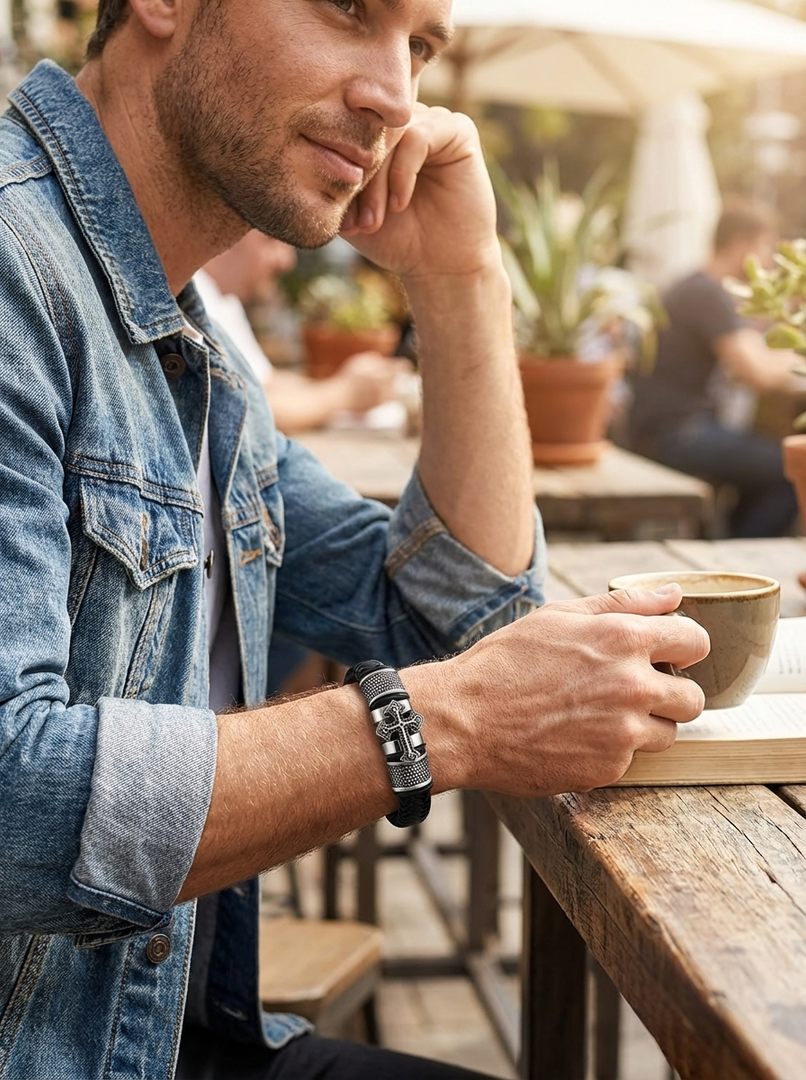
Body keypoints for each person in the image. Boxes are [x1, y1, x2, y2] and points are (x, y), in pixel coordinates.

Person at [0, 0, 708, 1077]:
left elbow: (451, 621)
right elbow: (13, 800)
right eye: (347, 12)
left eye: (419, 48)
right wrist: (447, 721)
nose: (395, 95)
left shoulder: (188, 348)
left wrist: (461, 280)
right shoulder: (16, 269)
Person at [628, 204, 806, 538]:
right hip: (675, 433)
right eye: (766, 248)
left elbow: (749, 358)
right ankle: (742, 558)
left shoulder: (694, 286)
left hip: (664, 427)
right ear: (741, 244)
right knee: (792, 471)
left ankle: (731, 542)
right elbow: (756, 370)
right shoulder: (706, 293)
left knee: (767, 466)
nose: (768, 262)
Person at [197, 231, 404, 434]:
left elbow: (266, 382)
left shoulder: (223, 300)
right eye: (270, 240)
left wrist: (358, 383)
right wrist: (345, 393)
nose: (286, 262)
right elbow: (247, 410)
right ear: (227, 236)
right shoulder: (197, 296)